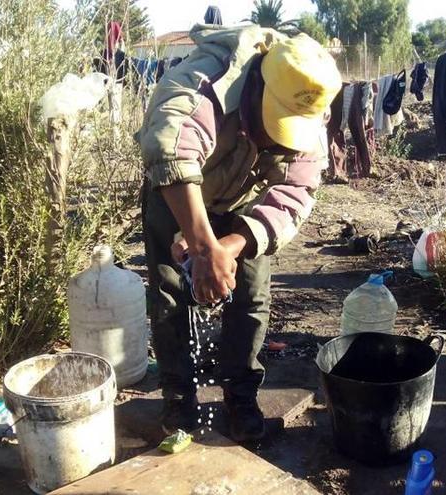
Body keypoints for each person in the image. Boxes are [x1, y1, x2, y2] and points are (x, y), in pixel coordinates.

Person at [138, 25, 341, 441]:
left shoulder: (310, 99)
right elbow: (169, 148)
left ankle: (240, 396)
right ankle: (179, 397)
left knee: (251, 294)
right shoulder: (206, 81)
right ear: (259, 89)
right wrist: (200, 244)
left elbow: (297, 190)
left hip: (244, 200)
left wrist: (229, 247)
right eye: (274, 124)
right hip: (177, 188)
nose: (277, 140)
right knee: (169, 293)